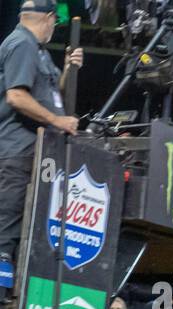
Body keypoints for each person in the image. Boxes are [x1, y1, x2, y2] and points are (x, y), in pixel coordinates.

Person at [0, 0, 80, 273]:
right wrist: (57, 120)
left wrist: (68, 68)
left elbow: (49, 95)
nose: (54, 29)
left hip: (35, 151)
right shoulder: (22, 44)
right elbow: (17, 96)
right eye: (55, 23)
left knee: (24, 226)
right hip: (17, 149)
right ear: (48, 18)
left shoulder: (38, 50)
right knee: (6, 227)